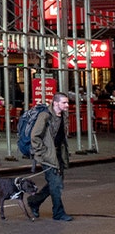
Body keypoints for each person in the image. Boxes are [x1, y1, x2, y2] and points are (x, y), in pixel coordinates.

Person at [26, 93, 73, 221]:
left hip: (59, 154)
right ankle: (58, 213)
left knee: (55, 183)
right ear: (55, 103)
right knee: (56, 185)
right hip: (48, 156)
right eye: (64, 103)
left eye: (67, 102)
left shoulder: (63, 116)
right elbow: (35, 136)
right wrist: (43, 153)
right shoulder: (45, 116)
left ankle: (34, 201)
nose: (67, 105)